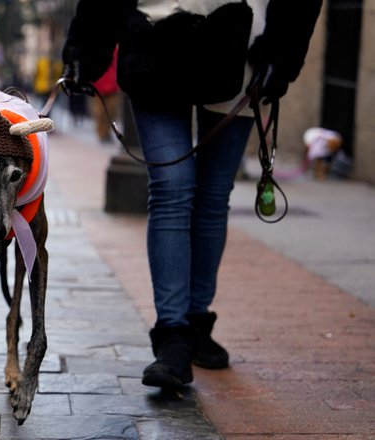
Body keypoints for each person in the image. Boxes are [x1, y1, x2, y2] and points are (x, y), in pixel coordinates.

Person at [63, 0, 322, 388]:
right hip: (156, 39)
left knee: (214, 194)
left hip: (243, 47)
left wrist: (283, 52)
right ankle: (173, 336)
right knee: (171, 187)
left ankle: (197, 320)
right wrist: (86, 47)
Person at [91, 47, 119, 143]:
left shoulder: (116, 48)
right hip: (99, 84)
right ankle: (102, 133)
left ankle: (107, 132)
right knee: (100, 112)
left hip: (112, 84)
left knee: (111, 111)